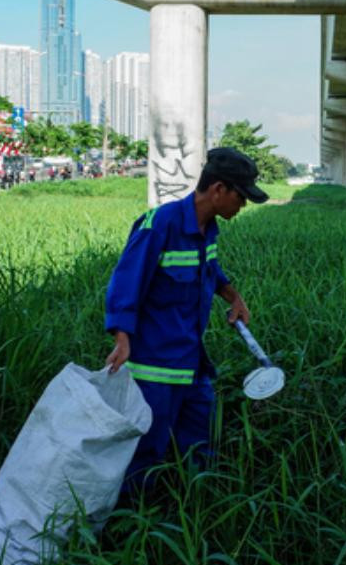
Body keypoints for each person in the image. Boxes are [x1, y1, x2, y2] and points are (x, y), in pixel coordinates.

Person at [103, 147, 268, 496]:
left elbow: (211, 270)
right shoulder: (159, 226)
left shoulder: (207, 229)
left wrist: (233, 297)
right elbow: (125, 282)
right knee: (147, 449)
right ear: (219, 189)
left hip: (192, 362)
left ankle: (194, 508)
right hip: (155, 367)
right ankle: (136, 523)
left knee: (200, 442)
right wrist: (122, 337)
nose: (243, 207)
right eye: (241, 197)